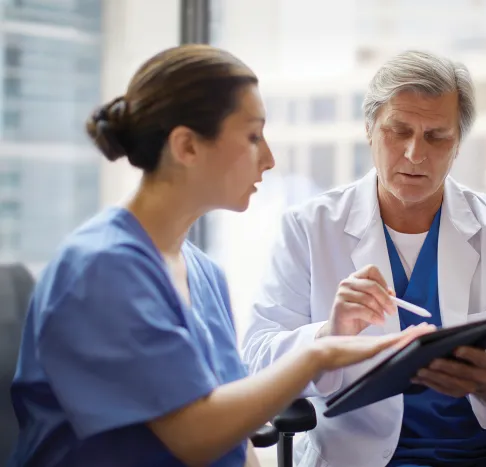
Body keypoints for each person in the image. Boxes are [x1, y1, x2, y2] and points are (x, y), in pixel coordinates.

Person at [8, 44, 434, 467]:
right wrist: (318, 354)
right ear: (187, 147)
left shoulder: (203, 273)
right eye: (252, 136)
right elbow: (195, 437)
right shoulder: (102, 268)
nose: (268, 159)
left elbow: (233, 431)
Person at [242, 50, 486, 467]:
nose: (413, 154)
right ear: (369, 129)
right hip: (371, 456)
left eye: (436, 136)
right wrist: (328, 335)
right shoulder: (310, 227)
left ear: (457, 144)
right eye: (398, 131)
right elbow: (257, 357)